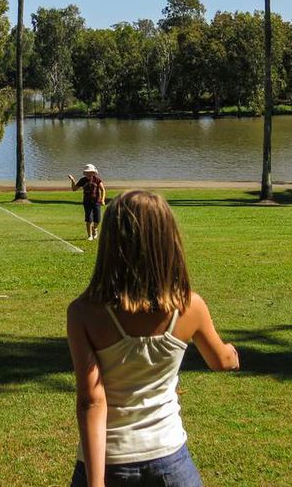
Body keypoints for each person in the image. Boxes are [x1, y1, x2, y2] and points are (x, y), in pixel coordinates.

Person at [66, 190, 240, 487]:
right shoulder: (189, 306)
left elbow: (92, 402)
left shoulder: (85, 313)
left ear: (110, 244)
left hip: (108, 461)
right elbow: (221, 361)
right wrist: (231, 353)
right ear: (168, 242)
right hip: (169, 462)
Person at [68, 164, 106, 241]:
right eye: (86, 172)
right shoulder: (83, 180)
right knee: (89, 219)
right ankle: (90, 235)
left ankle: (94, 229)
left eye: (90, 172)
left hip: (96, 202)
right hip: (87, 203)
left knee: (97, 220)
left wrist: (102, 199)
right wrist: (72, 180)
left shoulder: (97, 180)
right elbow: (74, 189)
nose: (88, 174)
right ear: (85, 173)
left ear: (93, 173)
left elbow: (103, 190)